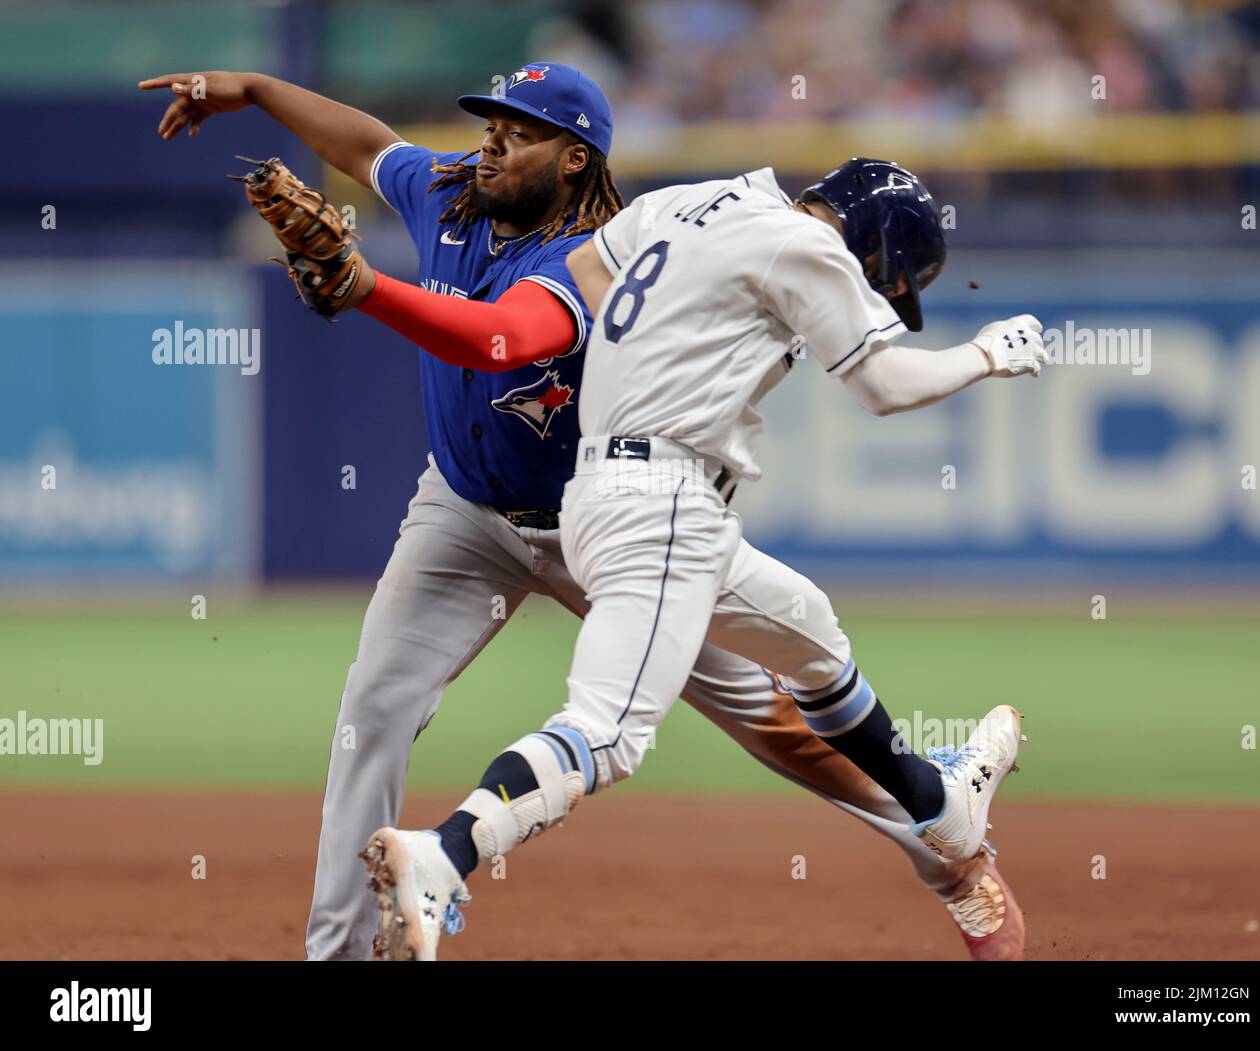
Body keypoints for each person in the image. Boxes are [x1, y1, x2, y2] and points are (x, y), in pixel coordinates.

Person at [142, 65, 1022, 962]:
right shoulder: (452, 191)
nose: (491, 139)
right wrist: (252, 89)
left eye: (518, 131)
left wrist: (367, 286)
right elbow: (368, 146)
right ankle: (339, 952)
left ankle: (952, 859)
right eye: (490, 121)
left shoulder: (585, 247)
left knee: (782, 718)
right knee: (374, 705)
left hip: (598, 521)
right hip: (465, 508)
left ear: (574, 159)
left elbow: (502, 342)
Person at [363, 159, 1044, 961]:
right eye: (885, 280)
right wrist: (988, 354)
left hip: (610, 490)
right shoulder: (808, 245)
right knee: (608, 732)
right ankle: (443, 854)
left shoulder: (688, 202)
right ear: (872, 248)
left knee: (814, 640)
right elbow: (883, 384)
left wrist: (679, 341)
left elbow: (585, 270)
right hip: (666, 501)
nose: (876, 296)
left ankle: (939, 803)